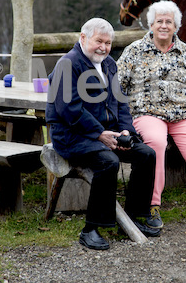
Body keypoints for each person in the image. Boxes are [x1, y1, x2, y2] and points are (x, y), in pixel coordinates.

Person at [46, 18, 160, 251]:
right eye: (99, 41)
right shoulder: (68, 65)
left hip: (106, 134)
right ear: (83, 38)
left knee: (146, 154)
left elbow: (120, 103)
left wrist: (126, 130)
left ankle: (135, 216)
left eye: (108, 43)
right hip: (72, 136)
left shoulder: (109, 64)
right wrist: (100, 134)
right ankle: (91, 229)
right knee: (109, 162)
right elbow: (69, 109)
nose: (104, 47)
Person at [117, 0, 186, 231]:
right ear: (151, 25)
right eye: (160, 21)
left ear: (176, 26)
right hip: (148, 112)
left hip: (183, 115)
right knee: (155, 143)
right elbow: (118, 87)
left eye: (169, 21)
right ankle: (152, 205)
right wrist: (120, 121)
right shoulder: (134, 51)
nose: (164, 25)